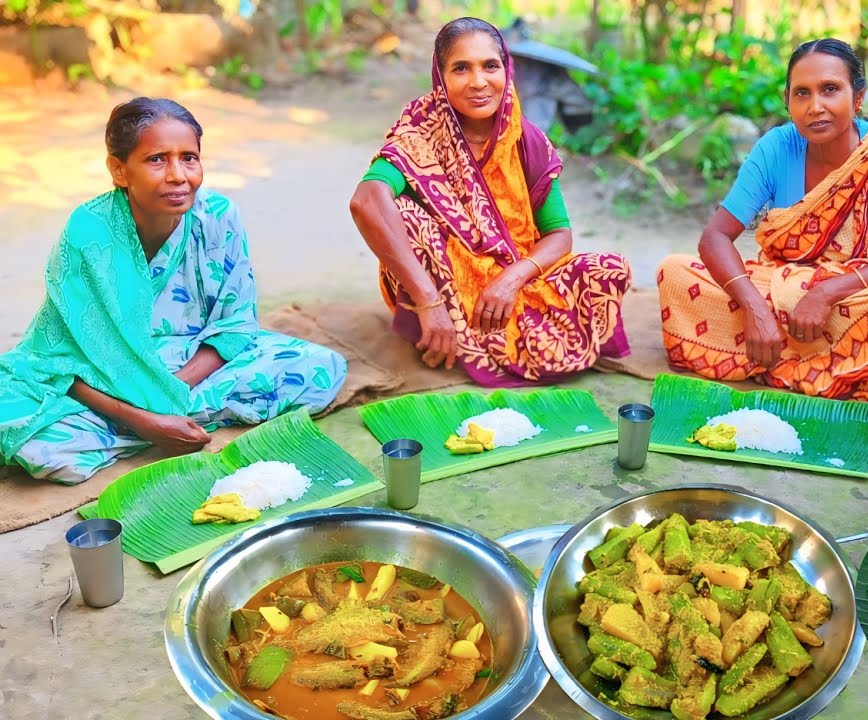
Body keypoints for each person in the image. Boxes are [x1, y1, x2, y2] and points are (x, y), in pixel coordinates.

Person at [0, 98, 348, 484]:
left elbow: (234, 324)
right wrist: (148, 421)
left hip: (192, 365)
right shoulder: (89, 232)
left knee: (319, 369)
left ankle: (154, 425)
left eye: (189, 158)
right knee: (37, 442)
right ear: (119, 170)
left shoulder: (218, 215)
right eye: (156, 160)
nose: (178, 175)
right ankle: (157, 426)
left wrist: (171, 392)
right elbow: (61, 358)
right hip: (104, 375)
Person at [349, 17, 631, 387]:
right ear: (441, 75)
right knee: (404, 216)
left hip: (514, 282)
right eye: (461, 68)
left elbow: (559, 234)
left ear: (506, 70)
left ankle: (474, 339)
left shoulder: (526, 140)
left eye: (490, 66)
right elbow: (366, 201)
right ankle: (441, 327)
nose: (479, 82)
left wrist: (509, 281)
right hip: (442, 288)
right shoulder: (421, 133)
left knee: (609, 269)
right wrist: (430, 303)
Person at [657, 38, 868, 402]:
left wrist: (827, 291)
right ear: (788, 101)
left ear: (858, 97)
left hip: (857, 294)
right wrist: (754, 308)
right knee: (675, 272)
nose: (815, 106)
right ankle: (832, 364)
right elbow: (715, 238)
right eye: (802, 93)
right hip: (779, 290)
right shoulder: (776, 147)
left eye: (830, 90)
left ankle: (772, 357)